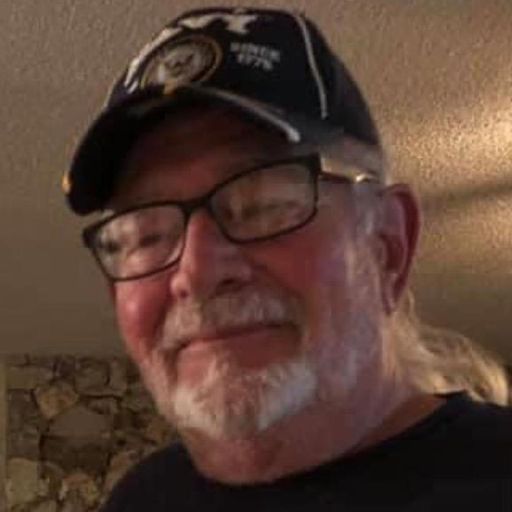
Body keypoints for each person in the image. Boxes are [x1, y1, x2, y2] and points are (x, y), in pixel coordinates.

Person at [63, 6, 512, 511]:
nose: (198, 272)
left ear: (387, 245)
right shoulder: (143, 499)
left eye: (263, 204)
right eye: (147, 235)